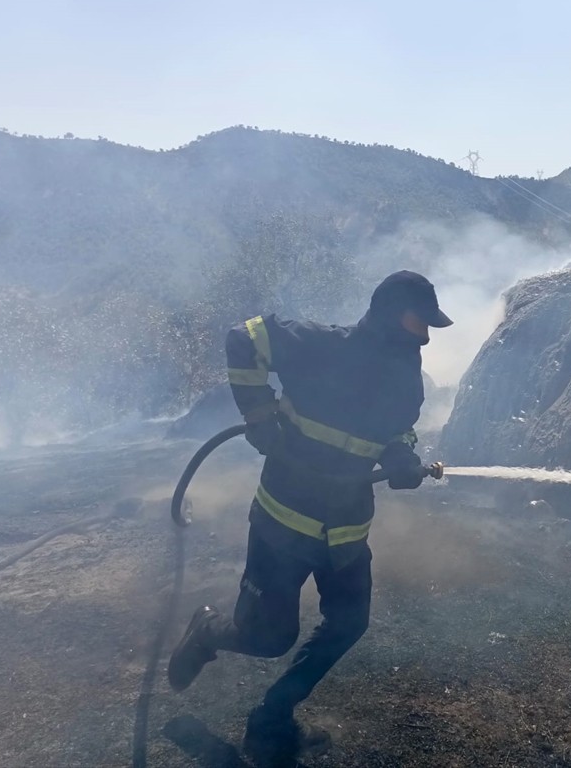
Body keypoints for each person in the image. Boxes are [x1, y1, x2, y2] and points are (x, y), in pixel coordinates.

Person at [167, 270, 452, 766]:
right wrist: (258, 413)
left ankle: (273, 713)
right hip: (284, 524)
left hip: (346, 531)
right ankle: (209, 631)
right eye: (418, 323)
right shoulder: (322, 345)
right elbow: (244, 337)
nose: (425, 336)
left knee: (349, 623)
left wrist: (404, 456)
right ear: (388, 314)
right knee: (268, 639)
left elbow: (400, 431)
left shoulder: (408, 379)